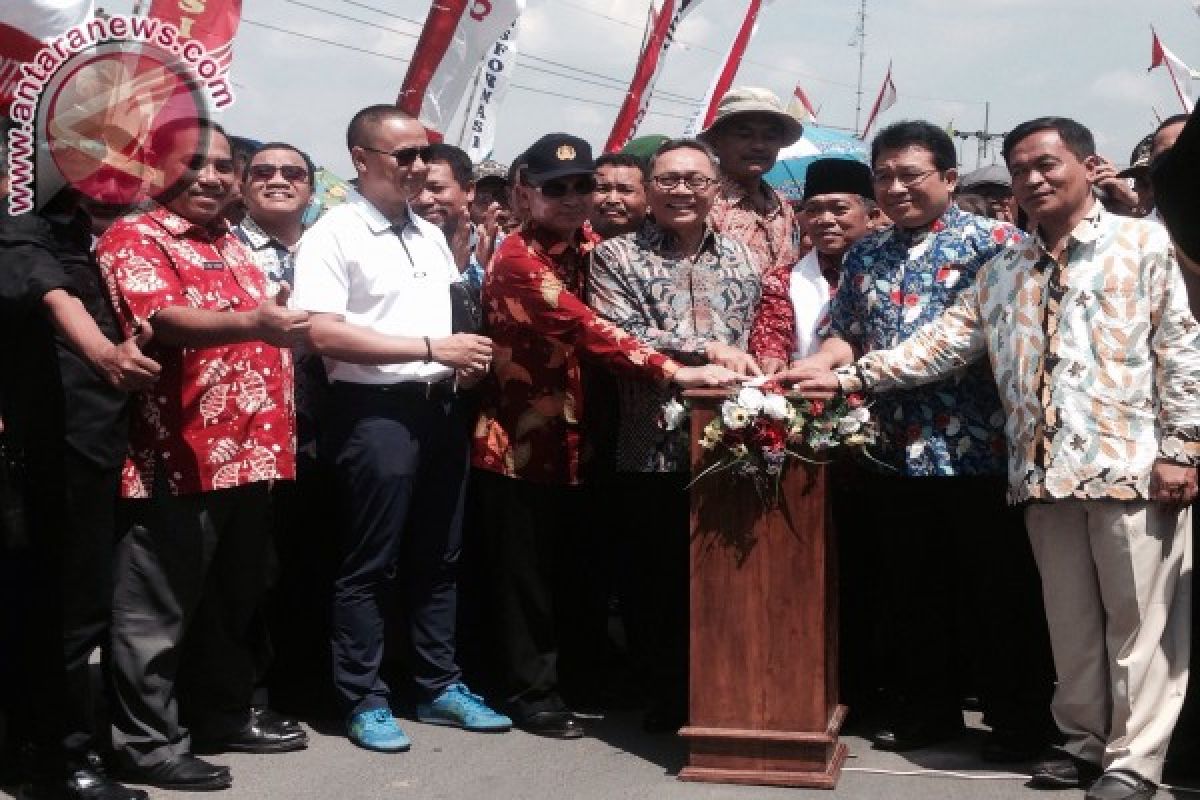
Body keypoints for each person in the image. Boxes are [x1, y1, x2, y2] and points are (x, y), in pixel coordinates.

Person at [791, 115, 1200, 800]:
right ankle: (1082, 744)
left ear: (1083, 164)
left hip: (1132, 467)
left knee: (1140, 624)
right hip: (1040, 474)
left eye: (1047, 163)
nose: (1034, 178)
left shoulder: (1145, 244)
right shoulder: (1006, 267)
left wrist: (1183, 449)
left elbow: (1181, 352)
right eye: (1019, 169)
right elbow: (942, 344)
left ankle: (1135, 759)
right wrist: (846, 377)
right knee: (1069, 626)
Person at [792, 120, 1054, 761]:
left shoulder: (999, 243)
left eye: (911, 174)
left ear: (949, 178)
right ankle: (928, 712)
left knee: (998, 594)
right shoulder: (865, 254)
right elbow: (844, 332)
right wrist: (819, 366)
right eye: (884, 176)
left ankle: (1017, 721)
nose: (896, 187)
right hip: (893, 451)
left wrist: (851, 369)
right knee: (912, 591)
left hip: (981, 453)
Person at [472, 132, 740, 739]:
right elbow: (590, 329)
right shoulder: (517, 259)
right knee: (527, 579)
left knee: (580, 570)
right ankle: (531, 692)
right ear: (523, 191)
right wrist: (678, 369)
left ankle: (582, 677)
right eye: (554, 188)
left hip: (585, 442)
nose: (572, 198)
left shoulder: (588, 246)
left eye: (581, 185)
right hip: (520, 444)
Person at [291, 104, 510, 754]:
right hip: (374, 415)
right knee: (370, 563)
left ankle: (439, 685)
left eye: (424, 154)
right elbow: (320, 331)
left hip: (438, 408)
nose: (418, 166)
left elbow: (455, 315)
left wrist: (460, 362)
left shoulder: (428, 231)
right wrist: (429, 348)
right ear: (362, 160)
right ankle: (364, 696)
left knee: (440, 556)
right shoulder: (334, 233)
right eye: (403, 156)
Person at [97, 119, 309, 792]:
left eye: (223, 166)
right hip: (178, 456)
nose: (212, 177)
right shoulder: (136, 236)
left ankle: (221, 714)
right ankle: (148, 745)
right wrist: (257, 323)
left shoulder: (233, 243)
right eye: (195, 164)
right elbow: (160, 320)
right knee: (153, 612)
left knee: (231, 600)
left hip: (253, 456)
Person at [587, 137, 761, 731]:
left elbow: (756, 337)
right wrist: (702, 347)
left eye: (694, 180)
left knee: (728, 574)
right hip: (650, 445)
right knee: (655, 579)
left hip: (733, 445)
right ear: (648, 189)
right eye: (666, 180)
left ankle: (726, 693)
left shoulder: (741, 256)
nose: (681, 190)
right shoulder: (614, 257)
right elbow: (619, 332)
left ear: (716, 188)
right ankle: (664, 697)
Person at [0, 187, 159, 800]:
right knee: (62, 607)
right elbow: (49, 293)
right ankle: (58, 762)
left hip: (122, 441)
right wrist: (103, 355)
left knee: (92, 604)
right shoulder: (27, 224)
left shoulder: (129, 230)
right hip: (56, 446)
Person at [751, 157, 876, 369]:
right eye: (813, 210)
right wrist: (773, 360)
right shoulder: (783, 280)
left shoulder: (896, 270)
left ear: (871, 216)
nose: (825, 219)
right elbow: (772, 337)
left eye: (839, 209)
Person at [699, 86, 804, 280]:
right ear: (716, 141)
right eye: (744, 135)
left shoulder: (783, 207)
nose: (759, 146)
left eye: (770, 137)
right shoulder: (698, 202)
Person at [412, 143, 482, 288]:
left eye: (436, 189)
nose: (424, 199)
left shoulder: (499, 253)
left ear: (469, 191)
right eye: (416, 189)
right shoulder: (397, 249)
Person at [589, 153, 649, 239]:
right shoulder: (570, 246)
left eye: (626, 190)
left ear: (648, 198)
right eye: (602, 189)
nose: (612, 200)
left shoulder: (668, 248)